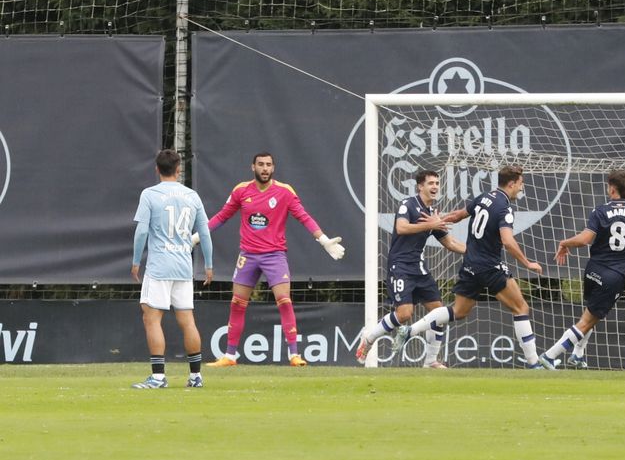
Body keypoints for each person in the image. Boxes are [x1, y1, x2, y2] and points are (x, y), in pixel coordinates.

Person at [203, 152, 345, 367]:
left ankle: (294, 355)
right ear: (253, 167)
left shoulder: (284, 192)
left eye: (268, 164)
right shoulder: (241, 190)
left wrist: (324, 240)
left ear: (273, 167)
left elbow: (303, 216)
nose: (265, 168)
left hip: (274, 255)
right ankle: (230, 356)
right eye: (260, 164)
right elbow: (222, 216)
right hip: (248, 255)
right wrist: (196, 237)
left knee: (284, 300)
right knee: (237, 303)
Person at [402, 165, 546, 368]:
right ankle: (534, 364)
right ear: (511, 183)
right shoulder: (504, 208)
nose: (522, 189)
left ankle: (410, 330)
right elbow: (507, 240)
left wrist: (439, 219)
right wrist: (527, 263)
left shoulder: (484, 197)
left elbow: (459, 215)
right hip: (490, 266)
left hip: (470, 264)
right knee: (521, 307)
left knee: (458, 311)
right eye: (521, 184)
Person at [537, 169, 625, 369]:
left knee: (592, 312)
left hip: (593, 270)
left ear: (612, 189)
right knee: (587, 320)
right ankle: (550, 356)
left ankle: (577, 355)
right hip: (614, 275)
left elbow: (585, 240)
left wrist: (565, 242)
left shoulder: (600, 210)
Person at [355, 169, 465, 365]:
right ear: (420, 186)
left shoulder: (433, 215)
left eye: (437, 183)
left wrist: (475, 252)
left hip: (419, 269)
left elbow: (451, 243)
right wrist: (429, 224)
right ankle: (369, 339)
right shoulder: (409, 204)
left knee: (438, 313)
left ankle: (431, 362)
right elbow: (401, 228)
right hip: (400, 266)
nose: (435, 187)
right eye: (430, 183)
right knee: (405, 314)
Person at [130, 149, 214, 389]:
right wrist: (208, 264)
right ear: (179, 170)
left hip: (159, 267)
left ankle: (158, 377)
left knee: (151, 318)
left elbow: (142, 231)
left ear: (156, 169)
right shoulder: (192, 196)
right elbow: (205, 233)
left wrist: (136, 261)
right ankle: (196, 376)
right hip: (183, 266)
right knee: (187, 320)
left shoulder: (150, 194)